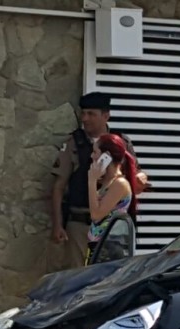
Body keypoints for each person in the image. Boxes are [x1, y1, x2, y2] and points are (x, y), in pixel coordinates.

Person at [49, 91, 148, 270]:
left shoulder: (120, 143)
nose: (85, 118)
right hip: (80, 223)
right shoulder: (74, 143)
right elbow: (59, 186)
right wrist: (58, 224)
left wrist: (139, 179)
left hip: (112, 228)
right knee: (78, 277)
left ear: (106, 116)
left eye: (91, 114)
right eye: (83, 113)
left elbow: (138, 173)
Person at [85, 133, 138, 265]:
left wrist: (91, 181)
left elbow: (96, 215)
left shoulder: (119, 184)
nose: (92, 156)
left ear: (106, 156)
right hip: (98, 247)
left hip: (110, 249)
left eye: (95, 152)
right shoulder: (106, 182)